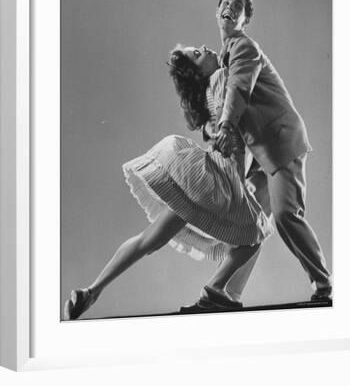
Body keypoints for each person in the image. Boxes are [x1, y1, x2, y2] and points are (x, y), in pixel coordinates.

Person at [63, 44, 273, 320]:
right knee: (255, 236)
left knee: (149, 239)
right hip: (221, 181)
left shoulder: (207, 94)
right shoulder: (222, 78)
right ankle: (216, 290)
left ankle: (92, 291)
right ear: (198, 73)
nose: (204, 48)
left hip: (203, 179)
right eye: (198, 54)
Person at [212, 0, 332, 302]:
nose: (230, 7)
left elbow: (240, 90)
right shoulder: (226, 57)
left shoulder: (243, 48)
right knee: (247, 223)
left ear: (244, 20)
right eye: (226, 2)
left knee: (285, 216)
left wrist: (225, 123)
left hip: (281, 145)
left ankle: (324, 285)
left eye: (238, 6)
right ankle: (227, 293)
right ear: (217, 10)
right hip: (263, 157)